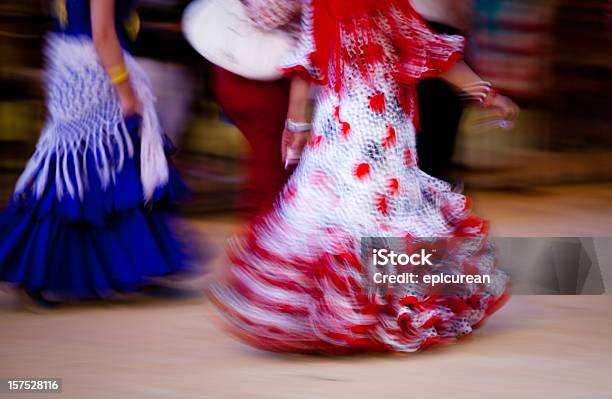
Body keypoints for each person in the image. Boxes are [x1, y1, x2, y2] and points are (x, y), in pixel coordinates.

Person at [211, 0, 518, 353]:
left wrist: (296, 124)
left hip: (335, 126)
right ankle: (375, 313)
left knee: (330, 215)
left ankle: (333, 316)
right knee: (378, 217)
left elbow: (306, 63)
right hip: (377, 127)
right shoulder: (383, 4)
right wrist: (487, 93)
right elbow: (429, 52)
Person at [0, 0, 194, 304]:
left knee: (99, 173)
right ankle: (45, 272)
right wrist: (126, 90)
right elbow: (102, 33)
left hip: (72, 63)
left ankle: (132, 268)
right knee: (96, 173)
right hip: (96, 72)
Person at [210, 0, 302, 214]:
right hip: (261, 81)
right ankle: (261, 240)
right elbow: (268, 12)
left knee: (272, 176)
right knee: (273, 183)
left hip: (243, 71)